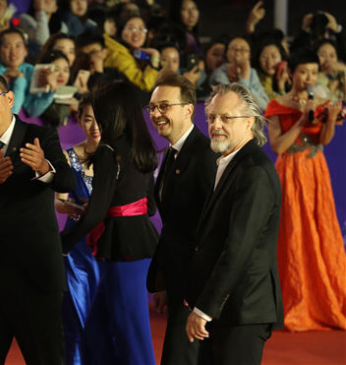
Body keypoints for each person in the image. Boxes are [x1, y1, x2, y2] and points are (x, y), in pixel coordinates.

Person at [0, 70, 76, 365]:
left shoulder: (41, 136)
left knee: (46, 357)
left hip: (34, 275)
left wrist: (45, 167)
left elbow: (67, 181)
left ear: (9, 98)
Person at [61, 80, 159, 365]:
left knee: (131, 332)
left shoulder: (107, 152)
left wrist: (62, 244)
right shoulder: (142, 147)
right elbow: (150, 206)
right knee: (98, 328)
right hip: (140, 242)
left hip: (121, 247)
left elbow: (97, 211)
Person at [185, 83, 283, 365]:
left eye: (226, 117)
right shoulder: (231, 162)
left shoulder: (254, 173)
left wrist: (204, 308)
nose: (216, 124)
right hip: (227, 308)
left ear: (250, 122)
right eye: (212, 117)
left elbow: (238, 248)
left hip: (243, 310)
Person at [264, 49, 346, 332]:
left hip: (316, 173)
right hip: (290, 172)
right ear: (290, 72)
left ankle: (321, 297)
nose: (308, 78)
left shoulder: (323, 102)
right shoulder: (277, 105)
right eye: (303, 72)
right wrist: (300, 120)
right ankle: (291, 298)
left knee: (321, 229)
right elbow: (277, 147)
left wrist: (330, 120)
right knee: (292, 232)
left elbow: (323, 139)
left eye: (313, 73)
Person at [146, 71, 218, 365]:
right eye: (152, 107)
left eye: (165, 106)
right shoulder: (173, 153)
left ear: (189, 109)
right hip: (178, 281)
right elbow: (172, 225)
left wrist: (196, 292)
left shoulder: (204, 155)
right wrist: (163, 280)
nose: (156, 114)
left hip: (196, 287)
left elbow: (211, 229)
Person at [54, 96, 103, 365]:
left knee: (107, 320)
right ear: (79, 120)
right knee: (75, 318)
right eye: (87, 118)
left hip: (109, 248)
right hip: (77, 252)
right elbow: (58, 201)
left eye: (99, 119)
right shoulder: (68, 157)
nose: (94, 125)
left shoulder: (115, 156)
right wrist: (72, 207)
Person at [210, 36, 269, 111]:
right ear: (227, 53)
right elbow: (237, 103)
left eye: (243, 50)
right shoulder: (219, 74)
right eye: (234, 49)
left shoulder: (252, 72)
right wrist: (244, 78)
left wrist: (245, 74)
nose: (238, 53)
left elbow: (265, 105)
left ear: (249, 55)